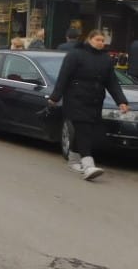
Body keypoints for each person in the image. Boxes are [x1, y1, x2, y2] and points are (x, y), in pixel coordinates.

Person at [47, 29, 129, 181]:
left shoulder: (106, 59)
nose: (101, 43)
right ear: (89, 39)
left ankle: (73, 160)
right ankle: (88, 165)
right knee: (84, 129)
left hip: (95, 101)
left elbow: (112, 82)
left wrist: (121, 101)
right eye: (98, 40)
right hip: (76, 99)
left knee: (88, 131)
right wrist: (55, 97)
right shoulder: (75, 55)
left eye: (103, 41)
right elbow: (64, 76)